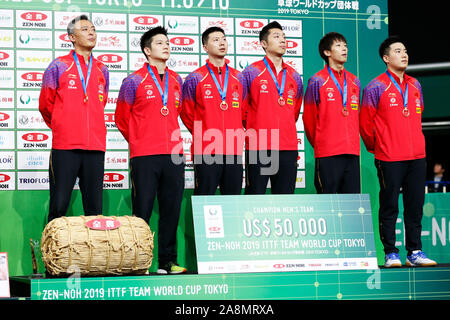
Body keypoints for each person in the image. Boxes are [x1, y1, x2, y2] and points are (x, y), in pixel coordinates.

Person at [360, 36, 437, 267]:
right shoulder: (376, 86)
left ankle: (415, 252)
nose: (404, 54)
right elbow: (365, 123)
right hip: (389, 156)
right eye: (397, 51)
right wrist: (379, 146)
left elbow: (418, 114)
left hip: (416, 156)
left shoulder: (415, 85)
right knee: (390, 204)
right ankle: (391, 252)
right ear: (386, 58)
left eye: (405, 50)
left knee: (414, 206)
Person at [115, 26, 186, 274]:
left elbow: (183, 114)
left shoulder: (178, 80)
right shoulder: (133, 81)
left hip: (174, 155)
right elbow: (121, 119)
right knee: (141, 211)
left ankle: (168, 261)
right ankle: (139, 262)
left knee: (171, 210)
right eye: (159, 43)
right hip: (144, 155)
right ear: (147, 50)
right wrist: (138, 141)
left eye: (167, 42)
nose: (166, 46)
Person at [39, 15, 109, 223]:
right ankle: (53, 255)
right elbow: (45, 104)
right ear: (71, 37)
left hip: (95, 147)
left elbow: (100, 102)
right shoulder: (58, 66)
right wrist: (63, 126)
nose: (91, 33)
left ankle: (92, 256)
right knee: (59, 204)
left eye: (93, 29)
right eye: (85, 29)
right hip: (66, 146)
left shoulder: (102, 69)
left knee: (95, 210)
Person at [240, 21, 303, 194]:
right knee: (255, 197)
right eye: (277, 37)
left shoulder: (295, 76)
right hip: (259, 146)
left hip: (287, 147)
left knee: (284, 200)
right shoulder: (250, 73)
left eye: (284, 37)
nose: (283, 40)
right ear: (264, 44)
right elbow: (241, 111)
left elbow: (294, 112)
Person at [181, 27, 245, 195]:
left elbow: (243, 112)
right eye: (215, 40)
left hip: (233, 148)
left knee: (233, 201)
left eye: (224, 39)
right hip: (206, 150)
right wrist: (204, 133)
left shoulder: (239, 77)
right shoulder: (195, 78)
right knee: (204, 197)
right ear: (205, 47)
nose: (222, 42)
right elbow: (186, 113)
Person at [303, 32, 361, 194]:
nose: (344, 49)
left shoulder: (354, 81)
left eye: (346, 46)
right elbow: (309, 119)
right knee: (327, 204)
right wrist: (322, 143)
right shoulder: (317, 80)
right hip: (328, 152)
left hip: (352, 151)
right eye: (338, 45)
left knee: (351, 206)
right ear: (327, 52)